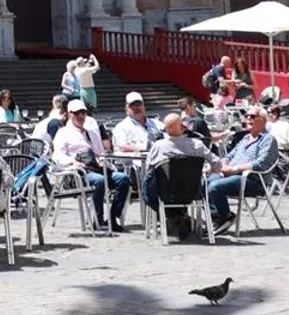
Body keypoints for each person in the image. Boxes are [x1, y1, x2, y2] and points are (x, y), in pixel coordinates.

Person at [51, 98, 131, 230]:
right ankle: (97, 218)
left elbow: (100, 152)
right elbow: (57, 156)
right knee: (99, 181)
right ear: (70, 114)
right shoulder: (63, 133)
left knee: (123, 179)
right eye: (77, 113)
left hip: (95, 168)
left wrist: (101, 159)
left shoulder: (91, 131)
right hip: (77, 173)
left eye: (83, 113)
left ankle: (113, 217)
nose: (81, 116)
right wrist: (73, 162)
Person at [141, 113, 218, 236]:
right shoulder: (197, 145)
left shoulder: (159, 146)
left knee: (149, 183)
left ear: (165, 130)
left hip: (166, 193)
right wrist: (207, 170)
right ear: (183, 127)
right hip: (193, 192)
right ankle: (178, 215)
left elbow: (149, 167)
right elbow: (217, 164)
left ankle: (173, 216)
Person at [205, 108, 281, 232]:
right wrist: (222, 164)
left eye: (252, 116)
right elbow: (229, 156)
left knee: (215, 186)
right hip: (233, 177)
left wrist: (234, 169)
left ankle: (225, 218)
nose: (248, 119)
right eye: (247, 116)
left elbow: (262, 164)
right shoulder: (246, 138)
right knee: (205, 183)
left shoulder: (268, 139)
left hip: (254, 180)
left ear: (262, 120)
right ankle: (218, 217)